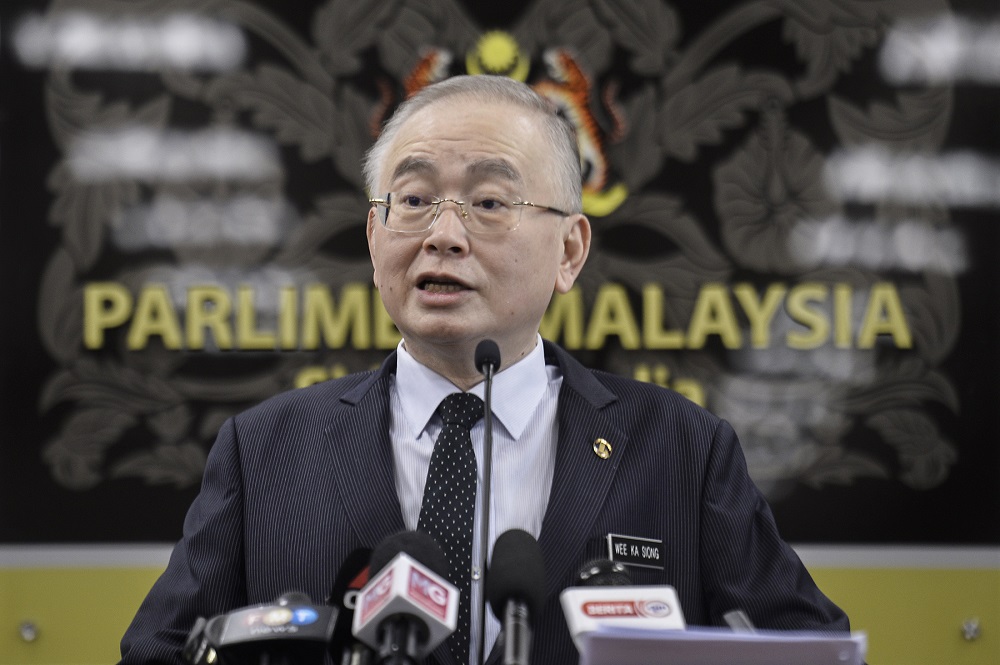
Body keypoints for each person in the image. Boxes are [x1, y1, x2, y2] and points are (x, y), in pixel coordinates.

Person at [119, 74, 849, 665]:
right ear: (375, 237)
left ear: (569, 250)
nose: (442, 234)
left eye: (489, 201)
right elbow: (156, 652)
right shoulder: (265, 449)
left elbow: (814, 652)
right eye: (412, 200)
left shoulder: (683, 449)